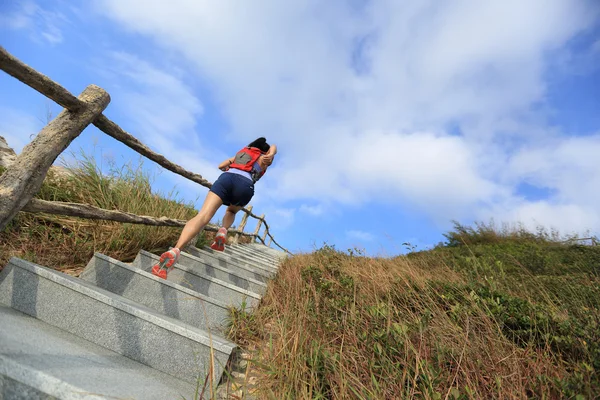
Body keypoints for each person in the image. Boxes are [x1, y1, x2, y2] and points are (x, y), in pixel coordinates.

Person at [151, 137, 277, 279]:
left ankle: (176, 250)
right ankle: (223, 230)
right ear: (265, 150)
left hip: (227, 178)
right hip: (245, 185)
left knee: (203, 216)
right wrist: (271, 154)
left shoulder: (241, 153)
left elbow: (221, 165)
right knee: (230, 210)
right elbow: (274, 146)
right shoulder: (264, 158)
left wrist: (230, 165)